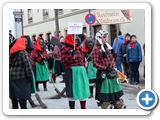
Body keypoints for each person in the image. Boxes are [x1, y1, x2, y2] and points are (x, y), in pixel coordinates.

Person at [92, 30, 125, 109]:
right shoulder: (96, 49)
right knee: (105, 100)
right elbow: (95, 63)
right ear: (99, 38)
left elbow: (114, 59)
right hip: (103, 74)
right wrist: (105, 68)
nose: (105, 38)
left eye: (105, 37)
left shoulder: (108, 47)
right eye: (104, 37)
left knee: (117, 98)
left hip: (112, 73)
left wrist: (115, 55)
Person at [61, 34, 90, 109]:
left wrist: (84, 62)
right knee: (72, 92)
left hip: (81, 72)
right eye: (74, 37)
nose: (76, 38)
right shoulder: (65, 48)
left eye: (77, 37)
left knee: (83, 91)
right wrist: (71, 55)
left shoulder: (79, 48)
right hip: (71, 72)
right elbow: (64, 62)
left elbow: (81, 59)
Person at [9, 37, 32, 109]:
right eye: (24, 41)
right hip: (22, 78)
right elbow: (27, 65)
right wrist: (29, 76)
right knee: (22, 97)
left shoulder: (11, 52)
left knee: (14, 97)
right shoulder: (23, 52)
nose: (26, 43)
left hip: (12, 78)